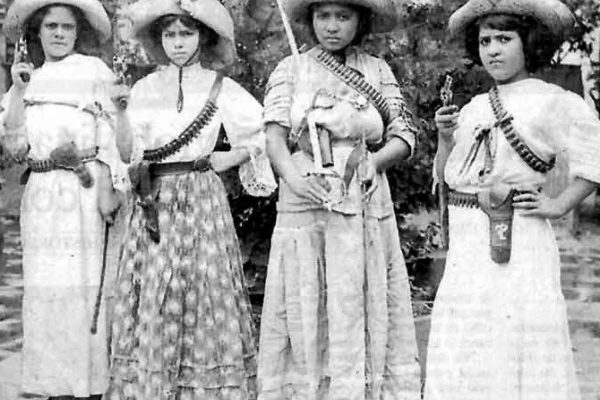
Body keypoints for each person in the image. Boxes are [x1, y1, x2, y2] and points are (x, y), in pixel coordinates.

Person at [425, 1, 600, 399]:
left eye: (505, 38)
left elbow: (594, 157)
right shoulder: (472, 108)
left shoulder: (553, 101)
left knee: (514, 337)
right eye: (485, 40)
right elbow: (445, 176)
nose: (493, 49)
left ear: (530, 43)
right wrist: (444, 137)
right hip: (469, 242)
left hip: (518, 237)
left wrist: (558, 204)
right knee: (469, 339)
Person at [107, 0, 276, 399]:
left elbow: (261, 134)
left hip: (201, 197)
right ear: (158, 39)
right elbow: (128, 154)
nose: (178, 43)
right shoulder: (145, 88)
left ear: (204, 37)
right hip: (155, 200)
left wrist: (229, 156)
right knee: (155, 289)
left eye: (187, 34)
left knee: (203, 288)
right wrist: (119, 114)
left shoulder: (221, 88)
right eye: (170, 35)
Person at [256, 0, 422, 399]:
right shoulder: (290, 68)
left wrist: (376, 163)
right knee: (307, 291)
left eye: (343, 16)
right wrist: (296, 181)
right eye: (323, 16)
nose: (332, 26)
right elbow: (275, 139)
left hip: (362, 191)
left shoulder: (377, 70)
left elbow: (405, 134)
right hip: (305, 192)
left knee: (354, 293)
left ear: (359, 21)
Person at [0, 0, 125, 398]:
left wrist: (110, 187)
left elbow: (112, 132)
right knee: (47, 286)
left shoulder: (93, 72)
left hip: (85, 190)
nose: (58, 34)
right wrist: (18, 92)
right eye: (50, 26)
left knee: (85, 284)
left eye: (66, 27)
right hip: (43, 197)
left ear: (78, 32)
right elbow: (16, 147)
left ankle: (89, 383)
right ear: (37, 31)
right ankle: (53, 384)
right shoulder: (27, 80)